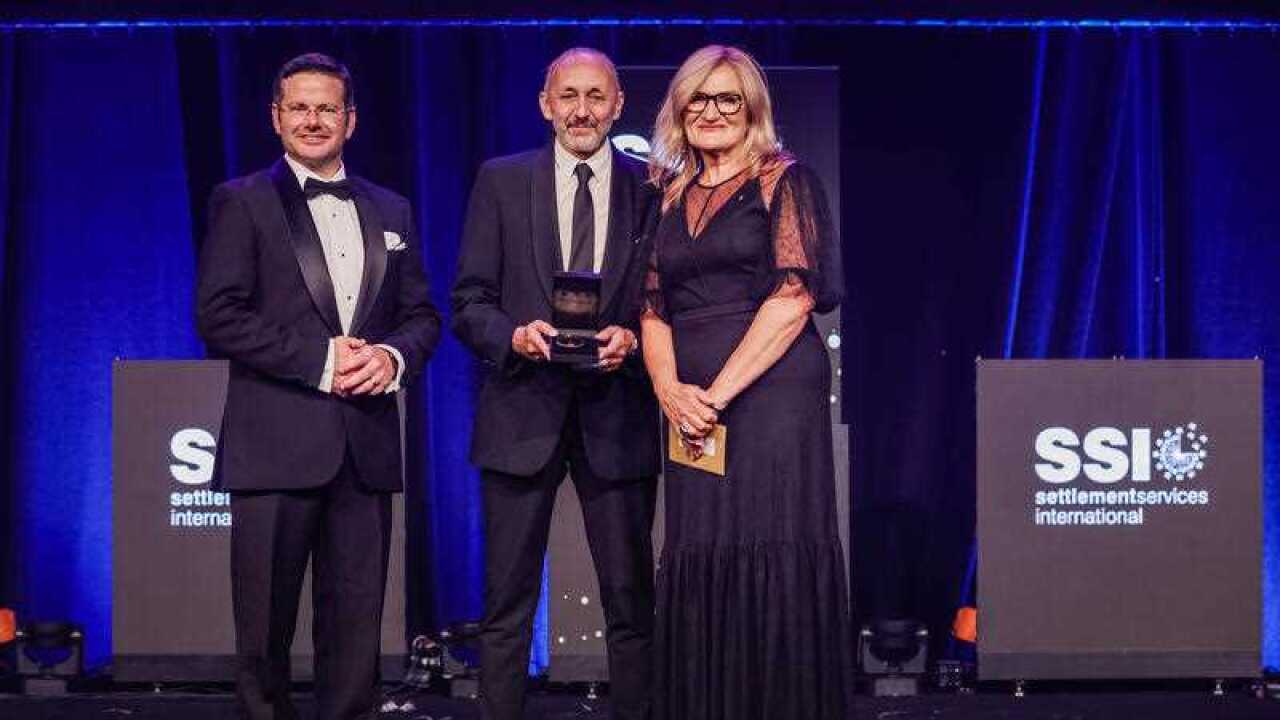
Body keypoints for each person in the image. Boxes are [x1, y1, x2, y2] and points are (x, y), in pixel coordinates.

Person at [196, 52, 440, 720]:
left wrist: (391, 356)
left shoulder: (393, 209)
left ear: (351, 119)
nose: (313, 119)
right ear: (276, 118)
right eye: (299, 107)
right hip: (274, 442)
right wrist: (322, 361)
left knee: (357, 631)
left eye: (326, 107)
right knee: (265, 630)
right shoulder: (242, 201)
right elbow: (217, 315)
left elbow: (422, 315)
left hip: (363, 449)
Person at [641, 45, 853, 719]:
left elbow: (794, 296)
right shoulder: (667, 193)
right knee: (700, 544)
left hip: (769, 391)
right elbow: (650, 306)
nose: (711, 111)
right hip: (690, 399)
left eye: (727, 98)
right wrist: (672, 392)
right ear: (679, 110)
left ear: (753, 108)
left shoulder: (785, 180)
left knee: (770, 540)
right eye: (697, 99)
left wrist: (716, 395)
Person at [451, 47, 659, 720]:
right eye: (568, 95)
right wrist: (512, 335)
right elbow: (471, 300)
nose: (581, 110)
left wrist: (631, 337)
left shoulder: (654, 186)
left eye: (596, 96)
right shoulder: (502, 181)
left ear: (619, 106)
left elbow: (668, 300)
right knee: (506, 608)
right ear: (545, 104)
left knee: (631, 603)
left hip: (617, 413)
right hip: (521, 413)